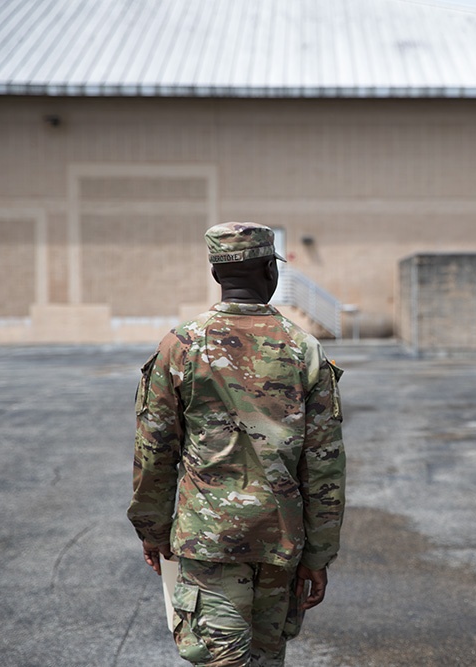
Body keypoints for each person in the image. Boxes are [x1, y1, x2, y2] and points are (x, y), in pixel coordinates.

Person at [128, 222, 346, 667]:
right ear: (271, 271)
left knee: (220, 659)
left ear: (216, 274)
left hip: (210, 541)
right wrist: (319, 553)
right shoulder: (304, 349)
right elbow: (323, 463)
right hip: (281, 542)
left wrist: (152, 529)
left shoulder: (182, 346)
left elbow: (155, 450)